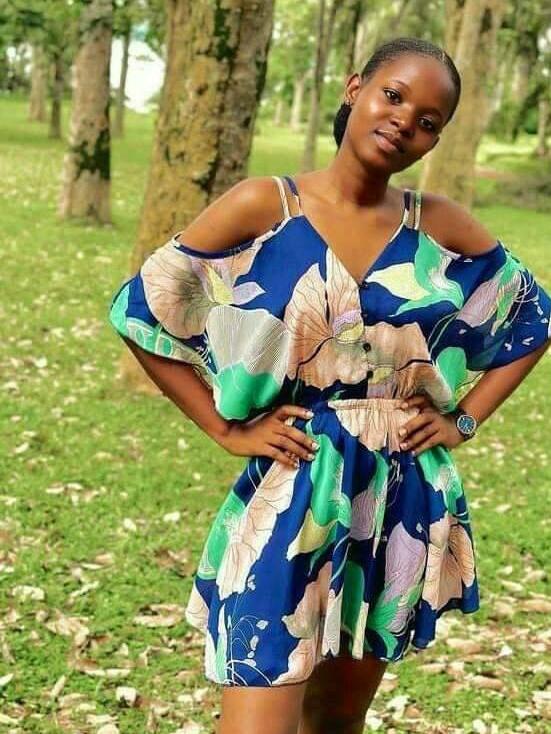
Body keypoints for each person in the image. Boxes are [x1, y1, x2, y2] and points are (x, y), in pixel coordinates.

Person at [108, 36, 551, 734]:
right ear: (354, 89)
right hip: (294, 483)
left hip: (397, 492)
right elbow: (142, 311)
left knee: (336, 721)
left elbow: (533, 318)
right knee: (257, 705)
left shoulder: (436, 225)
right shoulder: (266, 206)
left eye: (428, 120)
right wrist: (223, 428)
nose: (404, 121)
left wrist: (463, 419)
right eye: (393, 95)